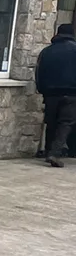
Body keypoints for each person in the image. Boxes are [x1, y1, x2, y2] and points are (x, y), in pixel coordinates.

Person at [35, 23, 76, 167]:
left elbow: (39, 72)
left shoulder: (46, 52)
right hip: (71, 94)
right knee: (65, 123)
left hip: (50, 93)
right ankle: (54, 153)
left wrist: (41, 89)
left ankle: (48, 151)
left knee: (51, 122)